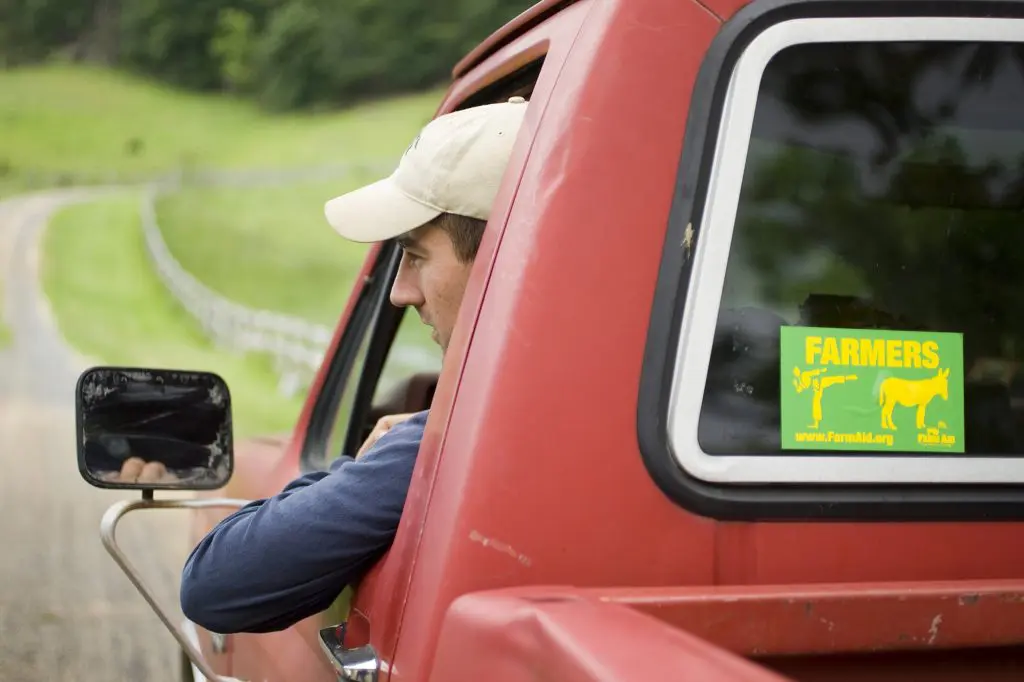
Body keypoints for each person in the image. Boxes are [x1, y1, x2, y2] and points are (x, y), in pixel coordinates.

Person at [178, 96, 528, 634]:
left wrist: (382, 456)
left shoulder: (451, 442)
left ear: (498, 262)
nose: (400, 292)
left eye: (416, 256)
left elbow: (213, 584)